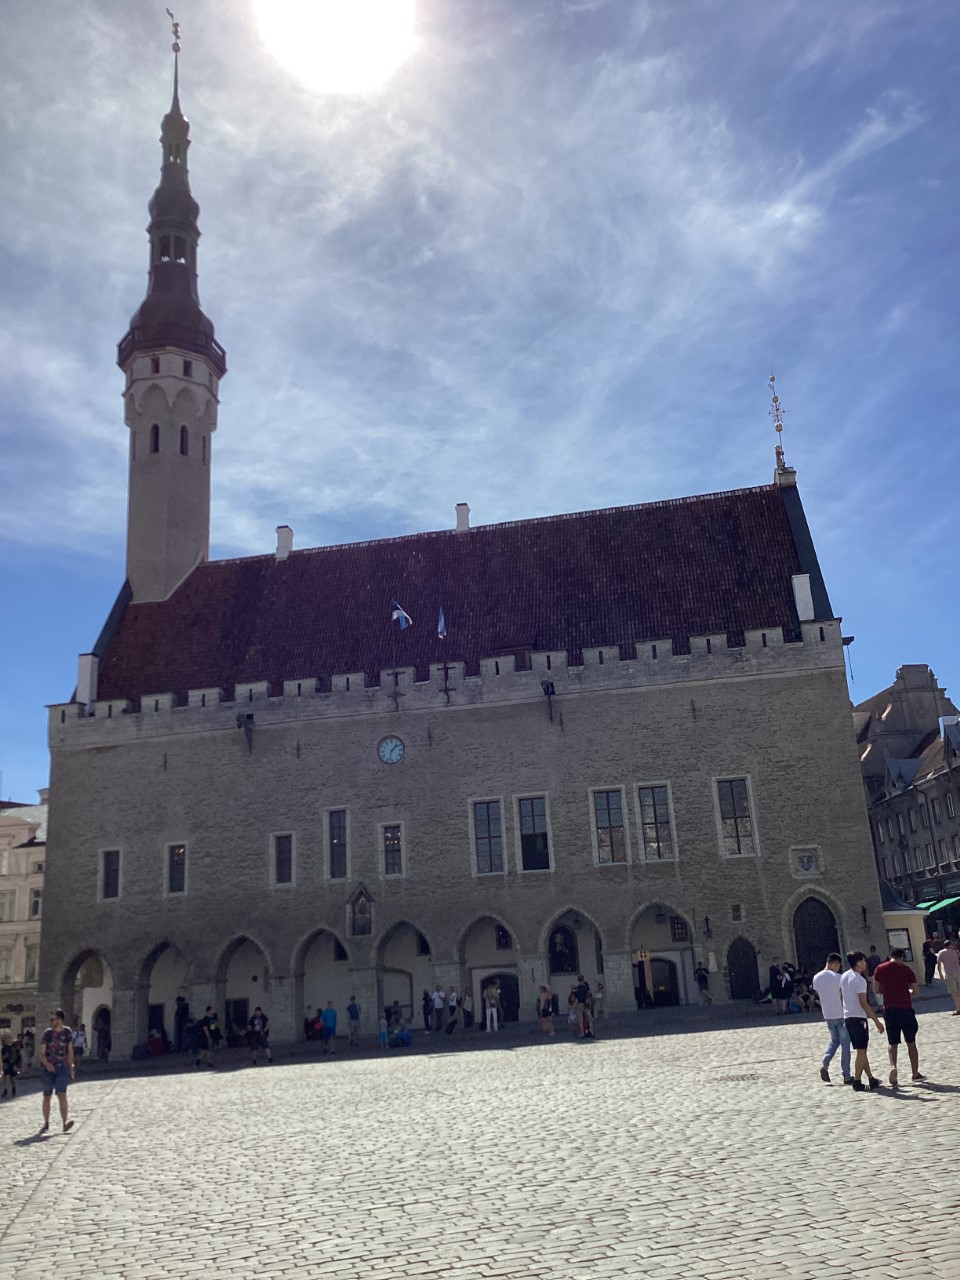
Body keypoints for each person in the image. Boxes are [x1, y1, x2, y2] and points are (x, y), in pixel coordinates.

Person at [873, 947, 925, 1087]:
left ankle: (893, 1067)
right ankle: (915, 1073)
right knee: (911, 1042)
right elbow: (916, 991)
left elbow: (876, 989)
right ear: (901, 957)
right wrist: (906, 991)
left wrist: (888, 991)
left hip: (889, 1010)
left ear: (890, 956)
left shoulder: (880, 968)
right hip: (906, 1009)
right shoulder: (907, 970)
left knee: (892, 1042)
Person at [840, 952, 884, 1091]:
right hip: (858, 1018)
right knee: (861, 1051)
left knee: (861, 1050)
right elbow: (863, 1003)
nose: (865, 963)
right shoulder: (859, 980)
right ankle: (857, 1081)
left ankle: (871, 1078)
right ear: (859, 962)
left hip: (848, 1017)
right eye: (864, 961)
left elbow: (841, 996)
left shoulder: (844, 976)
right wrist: (876, 1020)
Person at [812, 953, 852, 1085]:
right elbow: (843, 996)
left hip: (827, 1014)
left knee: (834, 1041)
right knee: (845, 1045)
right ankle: (846, 1075)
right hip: (840, 1014)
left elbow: (819, 994)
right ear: (835, 963)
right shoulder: (838, 978)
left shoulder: (816, 978)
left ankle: (825, 1063)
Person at [38, 1009, 76, 1134]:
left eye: (52, 1019)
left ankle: (65, 1122)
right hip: (48, 1069)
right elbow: (41, 1053)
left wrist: (70, 1067)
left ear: (59, 1020)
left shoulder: (67, 1032)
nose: (50, 1022)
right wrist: (47, 1064)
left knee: (62, 1094)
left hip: (61, 1067)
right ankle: (46, 1123)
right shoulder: (47, 1034)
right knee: (47, 1096)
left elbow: (69, 1051)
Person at [936, 938, 960, 1015]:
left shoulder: (941, 952)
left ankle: (958, 1009)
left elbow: (939, 964)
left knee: (954, 992)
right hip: (958, 972)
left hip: (949, 974)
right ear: (950, 945)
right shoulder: (955, 952)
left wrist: (940, 973)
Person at [1, 1033, 22, 1098]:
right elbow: (2, 1057)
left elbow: (19, 1056)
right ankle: (5, 1090)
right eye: (6, 1038)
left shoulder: (14, 1047)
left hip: (13, 1064)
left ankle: (13, 1088)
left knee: (12, 1078)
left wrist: (18, 1064)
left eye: (9, 1037)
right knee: (6, 1077)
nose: (8, 1039)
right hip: (6, 1065)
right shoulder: (4, 1047)